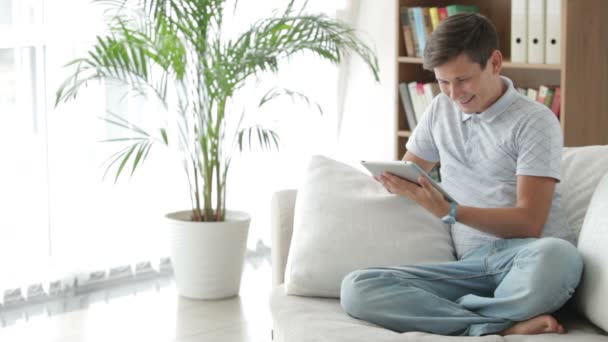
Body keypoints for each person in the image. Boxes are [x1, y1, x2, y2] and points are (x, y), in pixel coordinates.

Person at [340, 13, 583, 336]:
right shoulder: (441, 110)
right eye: (443, 81)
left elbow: (529, 222)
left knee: (561, 256)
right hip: (470, 267)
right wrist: (395, 182)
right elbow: (412, 170)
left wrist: (450, 212)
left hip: (528, 259)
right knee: (357, 287)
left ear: (494, 63)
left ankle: (473, 318)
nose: (454, 94)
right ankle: (500, 322)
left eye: (463, 80)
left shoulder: (534, 121)